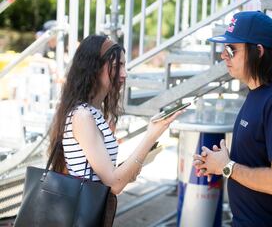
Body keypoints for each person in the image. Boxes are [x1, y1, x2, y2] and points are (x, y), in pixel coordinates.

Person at [193, 11, 272, 226]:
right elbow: (256, 160)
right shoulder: (257, 94)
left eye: (231, 49)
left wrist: (227, 167)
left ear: (258, 51)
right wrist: (217, 163)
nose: (223, 55)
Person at [47, 35, 182, 225]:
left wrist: (131, 169)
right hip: (81, 215)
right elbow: (114, 183)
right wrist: (151, 134)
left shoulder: (95, 113)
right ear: (94, 67)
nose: (124, 73)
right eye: (118, 65)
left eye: (124, 65)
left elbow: (110, 178)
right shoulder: (83, 116)